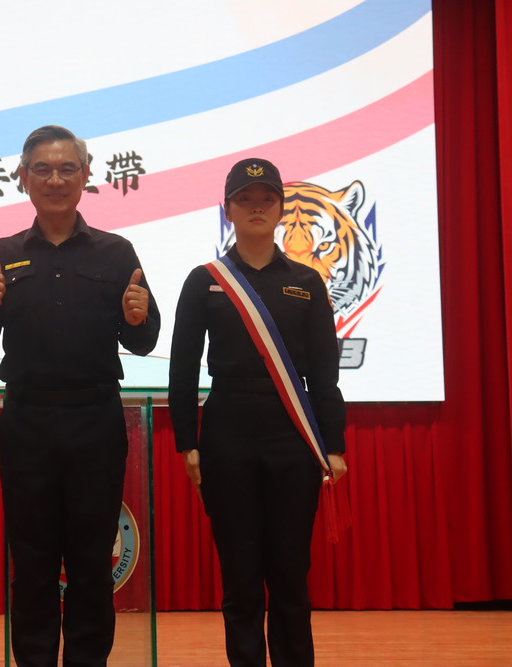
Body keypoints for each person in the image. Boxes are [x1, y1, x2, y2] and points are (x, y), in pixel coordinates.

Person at [0, 125, 160, 667]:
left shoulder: (116, 252)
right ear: (23, 177)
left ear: (85, 176)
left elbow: (144, 339)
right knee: (33, 563)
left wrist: (137, 316)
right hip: (28, 422)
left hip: (96, 422)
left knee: (92, 564)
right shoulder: (2, 253)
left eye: (67, 168)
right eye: (42, 169)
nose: (55, 180)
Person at [168, 158, 348, 667]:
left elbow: (324, 374)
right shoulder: (204, 280)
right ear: (227, 209)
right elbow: (182, 369)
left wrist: (334, 445)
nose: (256, 208)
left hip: (293, 435)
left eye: (266, 199)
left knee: (290, 572)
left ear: (280, 208)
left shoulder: (307, 282)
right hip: (226, 434)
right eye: (244, 199)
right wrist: (188, 443)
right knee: (241, 574)